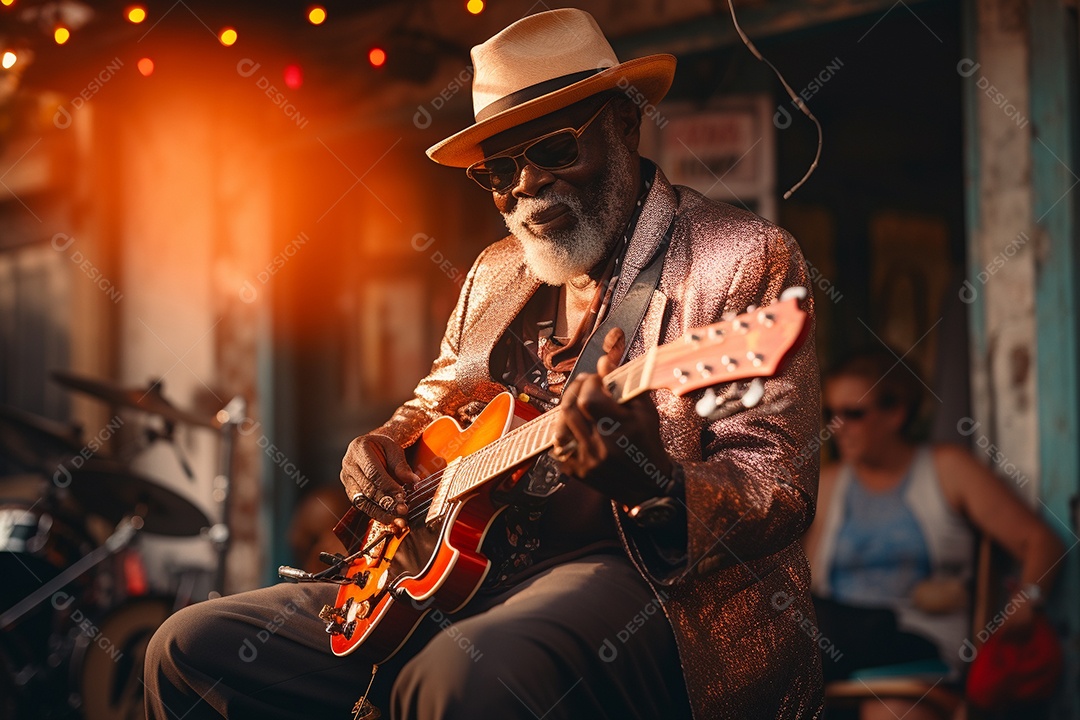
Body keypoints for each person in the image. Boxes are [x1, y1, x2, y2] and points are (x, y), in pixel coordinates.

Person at [144, 9, 824, 719]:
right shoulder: (497, 271)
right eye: (499, 170)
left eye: (554, 150)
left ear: (626, 122)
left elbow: (777, 490)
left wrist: (654, 484)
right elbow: (438, 398)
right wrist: (383, 445)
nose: (526, 188)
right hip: (456, 574)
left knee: (453, 682)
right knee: (189, 647)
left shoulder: (741, 258)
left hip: (647, 586)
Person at [802, 349, 1065, 720]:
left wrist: (1028, 600)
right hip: (840, 649)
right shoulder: (827, 484)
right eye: (830, 414)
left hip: (918, 647)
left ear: (897, 413)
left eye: (854, 414)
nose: (836, 428)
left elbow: (1042, 542)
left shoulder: (947, 469)